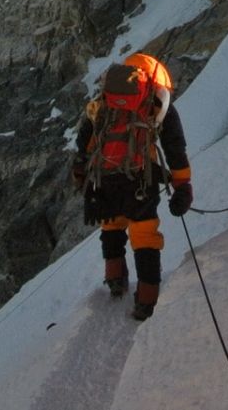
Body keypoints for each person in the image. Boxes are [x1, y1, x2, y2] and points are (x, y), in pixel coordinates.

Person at [72, 52, 192, 320]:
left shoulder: (107, 98)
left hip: (105, 176)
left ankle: (115, 278)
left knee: (112, 224)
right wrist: (182, 184)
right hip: (140, 178)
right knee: (144, 232)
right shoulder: (156, 100)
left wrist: (81, 170)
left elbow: (86, 137)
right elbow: (174, 147)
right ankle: (146, 300)